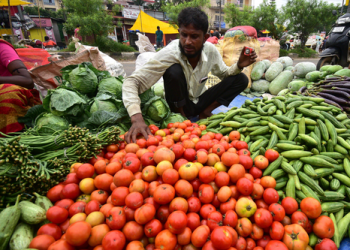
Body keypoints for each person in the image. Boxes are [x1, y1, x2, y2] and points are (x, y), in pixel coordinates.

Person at [122, 7, 257, 143]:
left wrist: (239, 65)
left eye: (194, 36)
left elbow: (224, 74)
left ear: (205, 38)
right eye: (184, 35)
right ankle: (182, 119)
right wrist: (136, 118)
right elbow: (132, 82)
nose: (187, 42)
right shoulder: (171, 52)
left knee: (241, 79)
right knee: (173, 70)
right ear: (179, 33)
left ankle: (205, 112)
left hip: (199, 101)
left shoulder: (211, 51)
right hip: (178, 103)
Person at [0, 40, 41, 135]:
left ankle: (13, 138)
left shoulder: (2, 47)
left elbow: (27, 80)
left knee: (6, 91)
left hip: (16, 101)